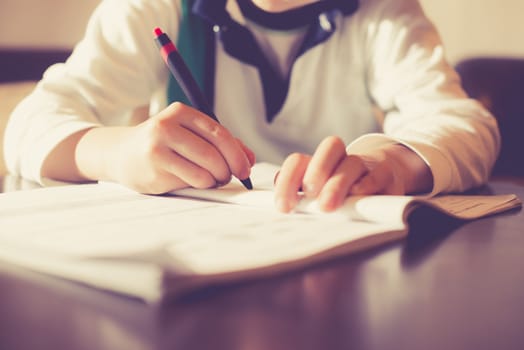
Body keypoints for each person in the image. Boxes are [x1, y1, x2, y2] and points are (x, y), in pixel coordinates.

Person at [3, 0, 499, 213]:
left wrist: (391, 163)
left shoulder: (383, 13)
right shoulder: (158, 8)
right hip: (196, 265)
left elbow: (463, 121)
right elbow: (28, 123)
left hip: (340, 261)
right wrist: (117, 153)